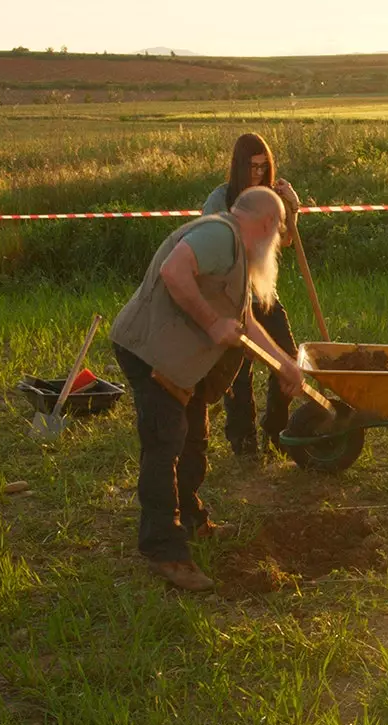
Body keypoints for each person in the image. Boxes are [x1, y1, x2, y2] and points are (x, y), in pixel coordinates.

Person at [111, 187, 306, 591]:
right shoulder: (220, 235)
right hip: (150, 353)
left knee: (194, 436)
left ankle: (192, 519)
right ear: (269, 224)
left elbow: (246, 323)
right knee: (165, 444)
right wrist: (211, 323)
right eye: (280, 229)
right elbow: (173, 271)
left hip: (180, 365)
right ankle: (164, 550)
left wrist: (285, 365)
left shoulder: (234, 251)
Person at [202, 133, 303, 457]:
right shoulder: (220, 199)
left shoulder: (271, 196)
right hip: (231, 298)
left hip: (264, 296)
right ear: (239, 166)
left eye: (264, 166)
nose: (258, 173)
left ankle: (277, 429)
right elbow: (210, 247)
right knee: (238, 372)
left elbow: (284, 241)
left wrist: (292, 206)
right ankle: (242, 440)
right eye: (252, 167)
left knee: (286, 359)